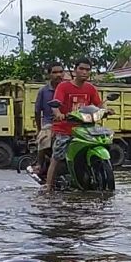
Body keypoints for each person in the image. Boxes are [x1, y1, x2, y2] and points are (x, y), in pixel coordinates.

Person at [45, 57, 114, 190]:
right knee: (57, 157)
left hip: (86, 128)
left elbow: (98, 105)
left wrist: (106, 110)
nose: (84, 72)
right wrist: (58, 113)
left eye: (87, 70)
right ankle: (48, 188)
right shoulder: (63, 86)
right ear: (75, 70)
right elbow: (55, 104)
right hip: (65, 129)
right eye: (81, 69)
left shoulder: (90, 88)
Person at [34, 63, 65, 176]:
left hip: (68, 122)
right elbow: (37, 111)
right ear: (49, 75)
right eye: (55, 72)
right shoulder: (43, 91)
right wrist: (39, 128)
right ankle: (39, 165)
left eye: (61, 72)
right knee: (44, 139)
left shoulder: (68, 88)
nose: (58, 75)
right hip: (50, 123)